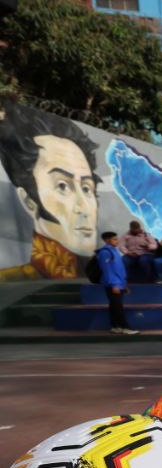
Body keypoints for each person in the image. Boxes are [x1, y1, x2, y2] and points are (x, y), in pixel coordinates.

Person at [0, 102, 100, 279]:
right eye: (62, 186)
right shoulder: (11, 280)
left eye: (86, 188)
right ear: (29, 202)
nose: (84, 207)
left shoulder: (104, 272)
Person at [94, 232, 137, 334]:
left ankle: (115, 326)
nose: (117, 241)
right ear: (107, 240)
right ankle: (125, 327)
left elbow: (119, 269)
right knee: (118, 307)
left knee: (114, 306)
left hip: (119, 283)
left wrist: (124, 284)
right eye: (114, 239)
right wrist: (114, 285)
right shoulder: (105, 253)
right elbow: (107, 270)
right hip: (113, 284)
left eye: (116, 239)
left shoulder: (114, 251)